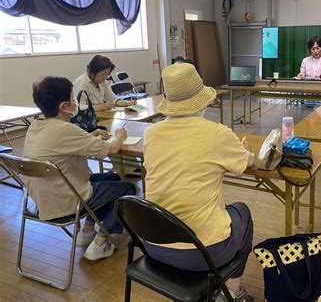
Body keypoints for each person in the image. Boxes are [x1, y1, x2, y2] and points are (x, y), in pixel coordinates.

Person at [143, 63, 255, 302]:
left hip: (152, 242)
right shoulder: (216, 133)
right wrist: (245, 151)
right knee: (242, 212)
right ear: (203, 100)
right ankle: (232, 293)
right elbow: (245, 164)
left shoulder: (150, 134)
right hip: (201, 252)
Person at [23, 76, 136, 260]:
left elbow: (62, 145)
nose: (76, 102)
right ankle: (100, 242)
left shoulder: (36, 126)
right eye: (73, 98)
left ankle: (87, 229)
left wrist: (91, 135)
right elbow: (113, 149)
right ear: (64, 106)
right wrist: (120, 136)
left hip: (44, 197)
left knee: (112, 178)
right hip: (67, 199)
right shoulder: (66, 130)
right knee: (129, 190)